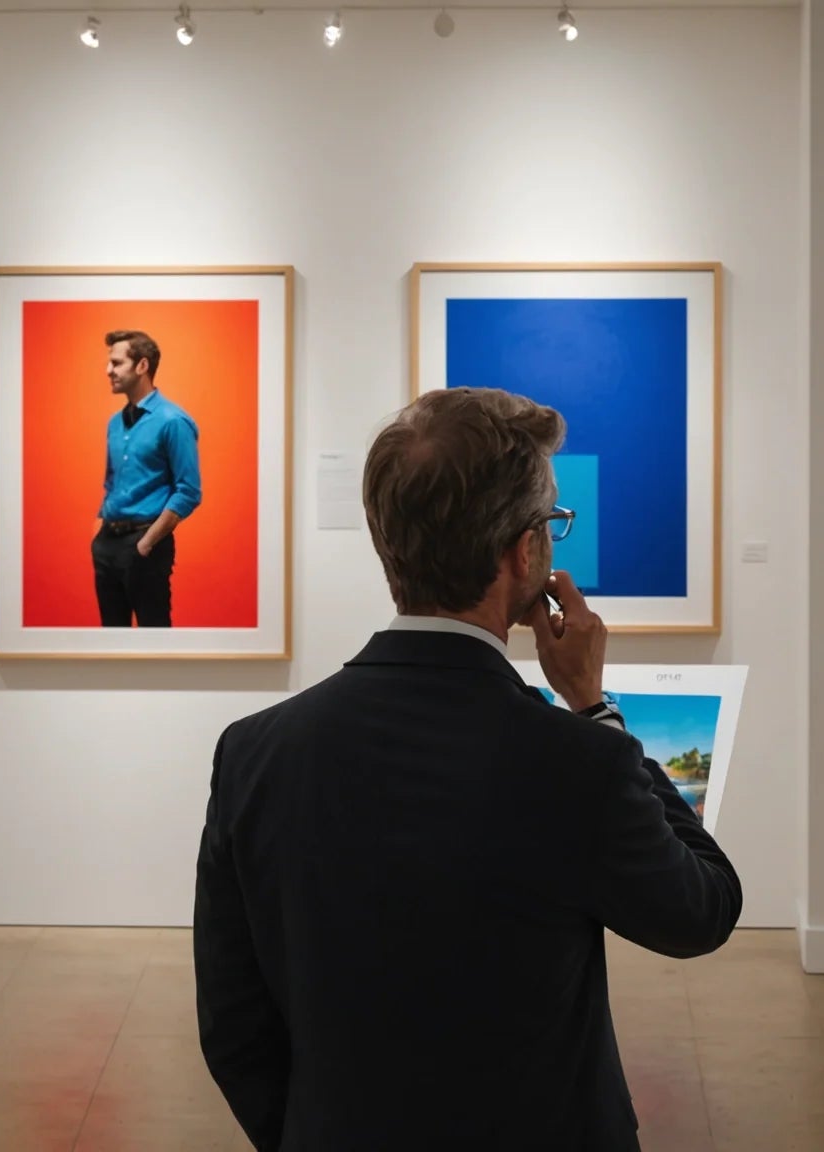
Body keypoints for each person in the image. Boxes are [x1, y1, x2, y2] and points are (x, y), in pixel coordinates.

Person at [193, 387, 742, 1151]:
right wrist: (594, 706)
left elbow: (232, 1018)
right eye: (551, 525)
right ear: (523, 553)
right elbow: (701, 911)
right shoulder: (575, 758)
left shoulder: (255, 749)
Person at [93, 330, 200, 627]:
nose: (108, 371)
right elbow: (111, 481)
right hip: (107, 545)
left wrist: (147, 542)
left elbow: (189, 491)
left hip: (145, 546)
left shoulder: (173, 421)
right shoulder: (115, 423)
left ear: (142, 366)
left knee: (155, 644)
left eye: (116, 363)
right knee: (111, 645)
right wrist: (99, 533)